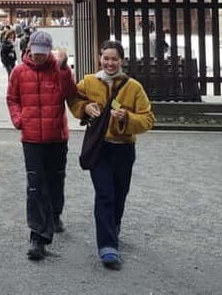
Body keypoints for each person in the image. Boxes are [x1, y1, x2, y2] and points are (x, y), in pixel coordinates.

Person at [69, 39, 155, 270]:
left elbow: (148, 119)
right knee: (105, 194)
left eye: (114, 59)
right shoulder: (89, 82)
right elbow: (74, 98)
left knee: (119, 193)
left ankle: (114, 225)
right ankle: (107, 247)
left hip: (124, 148)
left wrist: (126, 118)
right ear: (100, 58)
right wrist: (84, 108)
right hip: (100, 147)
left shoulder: (134, 87)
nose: (109, 63)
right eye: (106, 58)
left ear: (122, 61)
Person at [6, 30, 80, 261]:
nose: (39, 57)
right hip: (31, 138)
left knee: (56, 179)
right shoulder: (19, 71)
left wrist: (65, 69)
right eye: (36, 53)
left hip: (56, 136)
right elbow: (12, 98)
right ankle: (38, 236)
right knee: (36, 184)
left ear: (49, 51)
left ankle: (55, 213)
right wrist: (19, 119)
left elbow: (71, 94)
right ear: (30, 49)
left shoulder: (59, 70)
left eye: (43, 53)